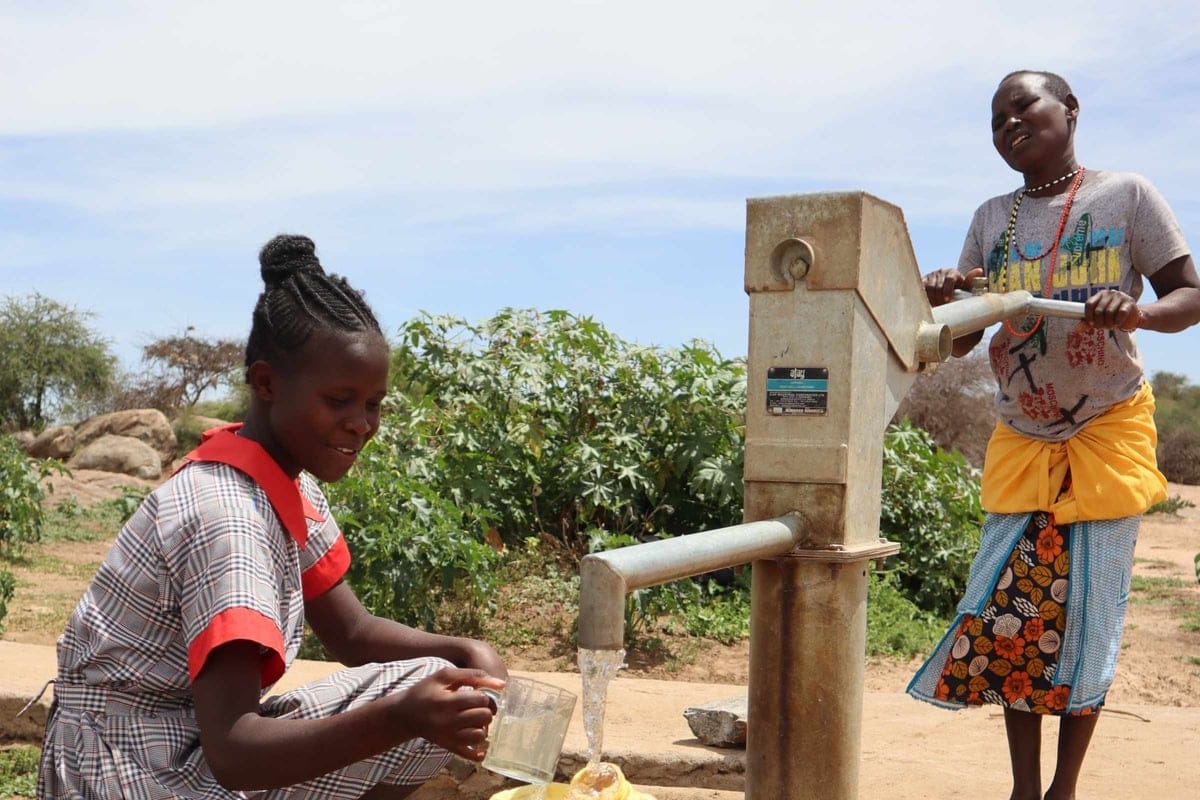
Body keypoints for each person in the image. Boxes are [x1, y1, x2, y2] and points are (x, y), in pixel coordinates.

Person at [37, 234, 508, 800]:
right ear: (266, 384)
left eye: (373, 403)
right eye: (340, 400)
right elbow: (235, 753)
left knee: (430, 683)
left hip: (185, 741)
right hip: (128, 766)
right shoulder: (226, 517)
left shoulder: (279, 479)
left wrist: (461, 653)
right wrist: (402, 717)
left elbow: (353, 634)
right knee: (410, 706)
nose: (362, 423)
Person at [907, 70, 1200, 800]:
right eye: (996, 117)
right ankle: (1023, 790)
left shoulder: (1125, 195)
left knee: (1087, 619)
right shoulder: (991, 217)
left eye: (1023, 106)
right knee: (1013, 613)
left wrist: (1134, 315)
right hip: (1021, 434)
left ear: (1069, 110)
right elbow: (959, 345)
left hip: (1107, 430)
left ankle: (1064, 790)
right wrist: (943, 301)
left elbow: (1189, 297)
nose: (1009, 123)